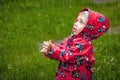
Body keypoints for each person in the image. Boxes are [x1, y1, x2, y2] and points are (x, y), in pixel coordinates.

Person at [40, 8, 109, 80]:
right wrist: (49, 51)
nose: (76, 24)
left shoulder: (83, 44)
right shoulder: (73, 38)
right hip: (66, 72)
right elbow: (61, 51)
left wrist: (53, 49)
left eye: (81, 22)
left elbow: (68, 55)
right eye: (77, 20)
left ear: (89, 28)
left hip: (74, 75)